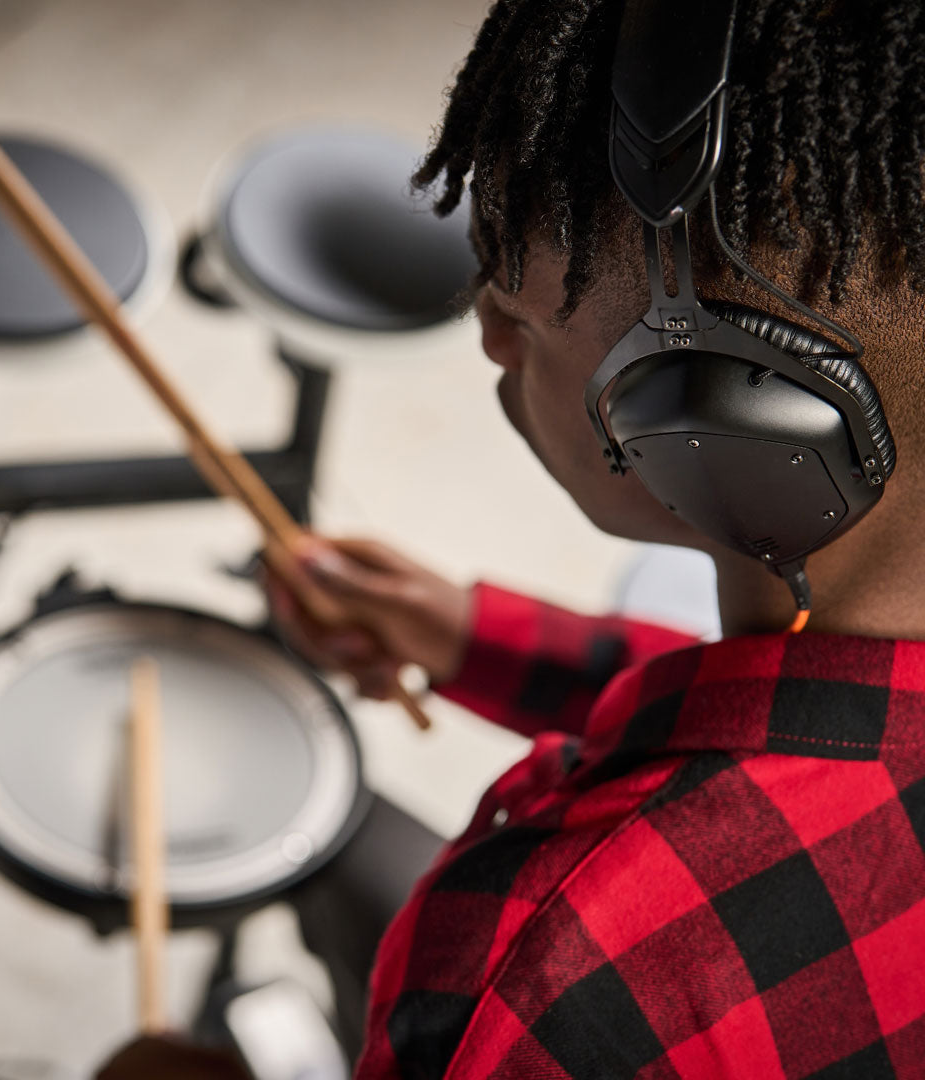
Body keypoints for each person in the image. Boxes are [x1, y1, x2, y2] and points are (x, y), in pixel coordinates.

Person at [267, 1, 925, 1077]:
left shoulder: (539, 982)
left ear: (724, 422)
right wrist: (475, 637)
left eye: (517, 320)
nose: (484, 334)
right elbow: (827, 730)